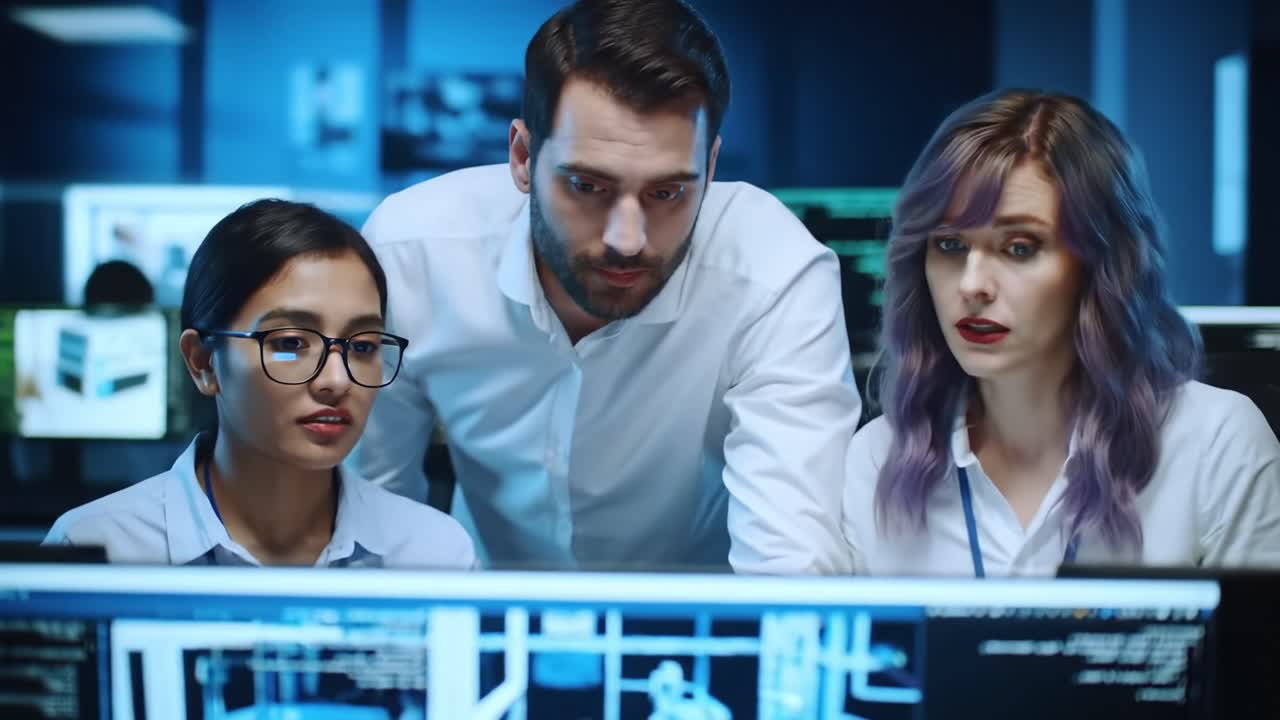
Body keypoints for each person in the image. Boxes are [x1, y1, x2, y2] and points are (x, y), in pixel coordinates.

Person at [349, 0, 861, 573]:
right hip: (487, 613)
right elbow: (371, 513)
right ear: (522, 156)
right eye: (588, 186)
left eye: (667, 193)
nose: (627, 239)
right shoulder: (411, 255)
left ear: (710, 168)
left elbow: (792, 561)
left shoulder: (773, 274)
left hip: (699, 630)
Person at [841, 89, 1280, 576]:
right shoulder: (876, 460)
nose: (971, 285)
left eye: (1020, 248)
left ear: (1101, 267)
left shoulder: (1214, 445)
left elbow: (1253, 653)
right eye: (949, 244)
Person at [44, 199, 476, 568]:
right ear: (204, 362)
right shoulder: (100, 548)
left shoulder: (431, 553)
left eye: (362, 347)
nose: (337, 380)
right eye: (290, 343)